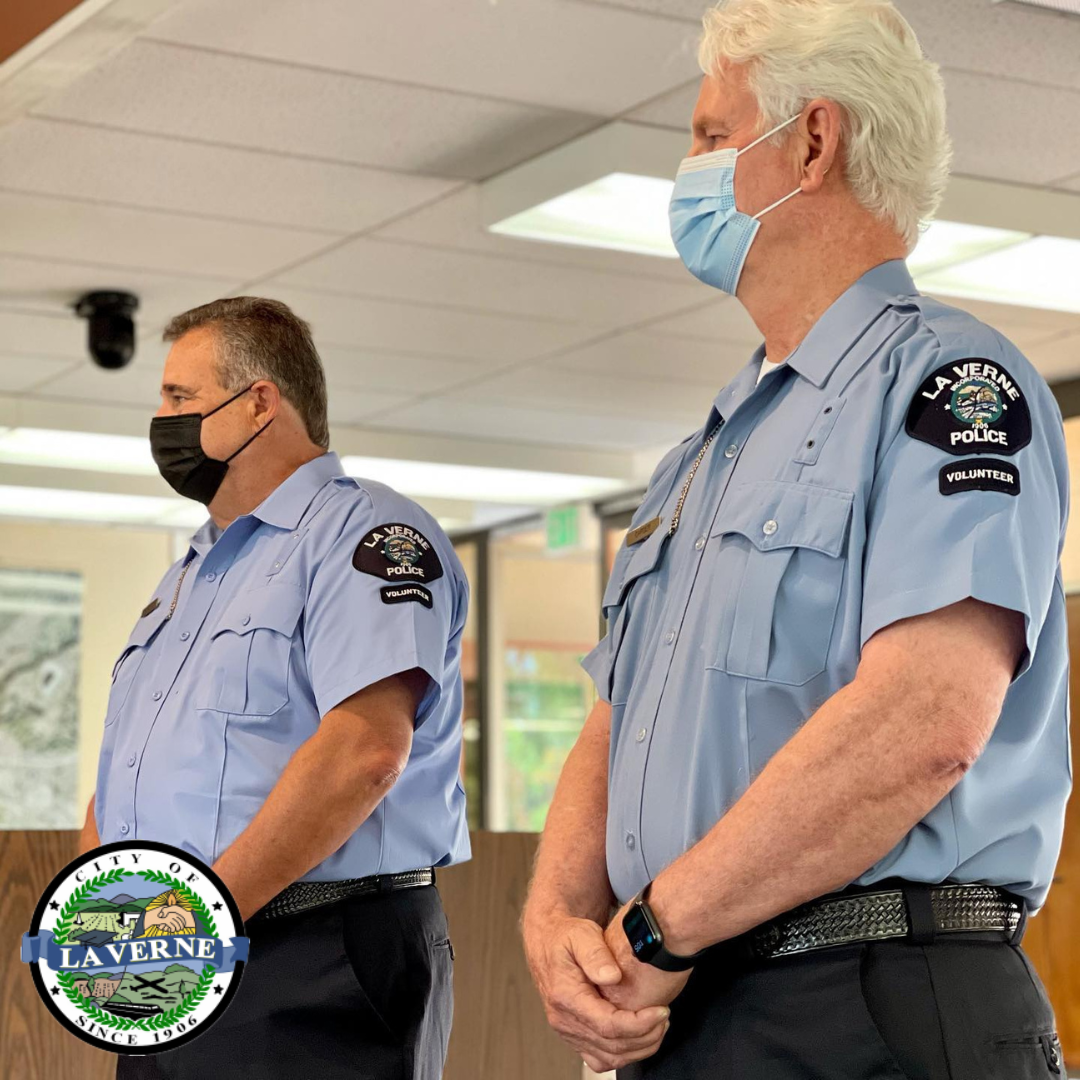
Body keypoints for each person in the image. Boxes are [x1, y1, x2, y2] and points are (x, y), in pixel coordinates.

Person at [522, 1, 1071, 1076]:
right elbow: (615, 721)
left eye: (711, 135)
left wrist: (657, 929)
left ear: (813, 141)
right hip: (698, 1000)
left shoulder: (950, 385)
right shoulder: (702, 456)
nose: (688, 168)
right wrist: (556, 923)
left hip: (869, 997)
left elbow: (925, 718)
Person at [78, 296, 470, 1080]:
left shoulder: (365, 535)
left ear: (260, 403)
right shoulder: (189, 574)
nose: (161, 420)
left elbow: (365, 751)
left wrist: (196, 924)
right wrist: (99, 928)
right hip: (173, 961)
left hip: (312, 957)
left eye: (180, 398)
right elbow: (130, 766)